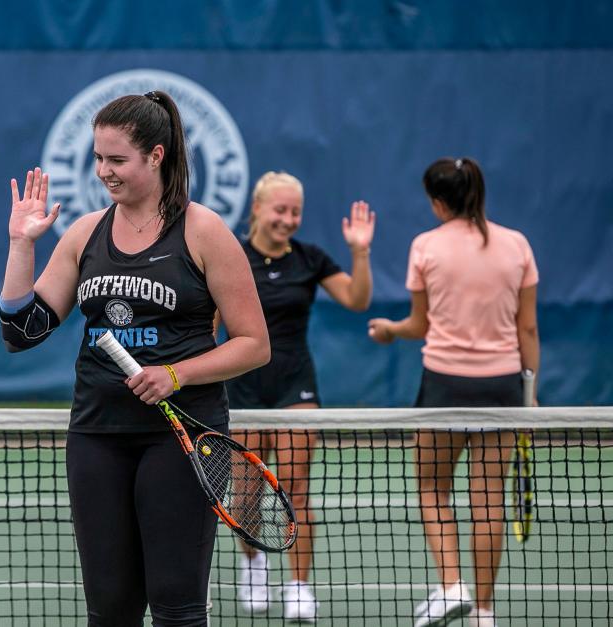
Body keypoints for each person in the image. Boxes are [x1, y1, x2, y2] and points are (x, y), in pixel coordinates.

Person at [0, 91, 270, 626]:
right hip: (97, 436)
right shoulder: (85, 233)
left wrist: (176, 374)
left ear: (157, 155)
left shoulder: (204, 232)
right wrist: (20, 243)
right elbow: (21, 332)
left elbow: (253, 344)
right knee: (111, 608)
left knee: (176, 604)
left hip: (185, 437)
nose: (104, 171)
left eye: (117, 160)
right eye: (98, 159)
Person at [368, 157, 539, 627]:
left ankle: (452, 585)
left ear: (439, 201)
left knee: (430, 487)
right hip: (503, 387)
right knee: (488, 501)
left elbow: (420, 326)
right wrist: (531, 393)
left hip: (444, 385)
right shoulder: (517, 245)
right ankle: (482, 613)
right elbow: (527, 328)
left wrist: (389, 330)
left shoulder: (425, 246)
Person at [225, 171, 375, 621]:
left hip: (296, 386)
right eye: (280, 210)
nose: (288, 220)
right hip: (242, 386)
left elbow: (358, 299)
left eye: (295, 212)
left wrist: (361, 252)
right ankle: (253, 564)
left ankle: (299, 586)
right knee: (244, 497)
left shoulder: (310, 258)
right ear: (256, 208)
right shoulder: (230, 255)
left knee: (295, 492)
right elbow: (209, 322)